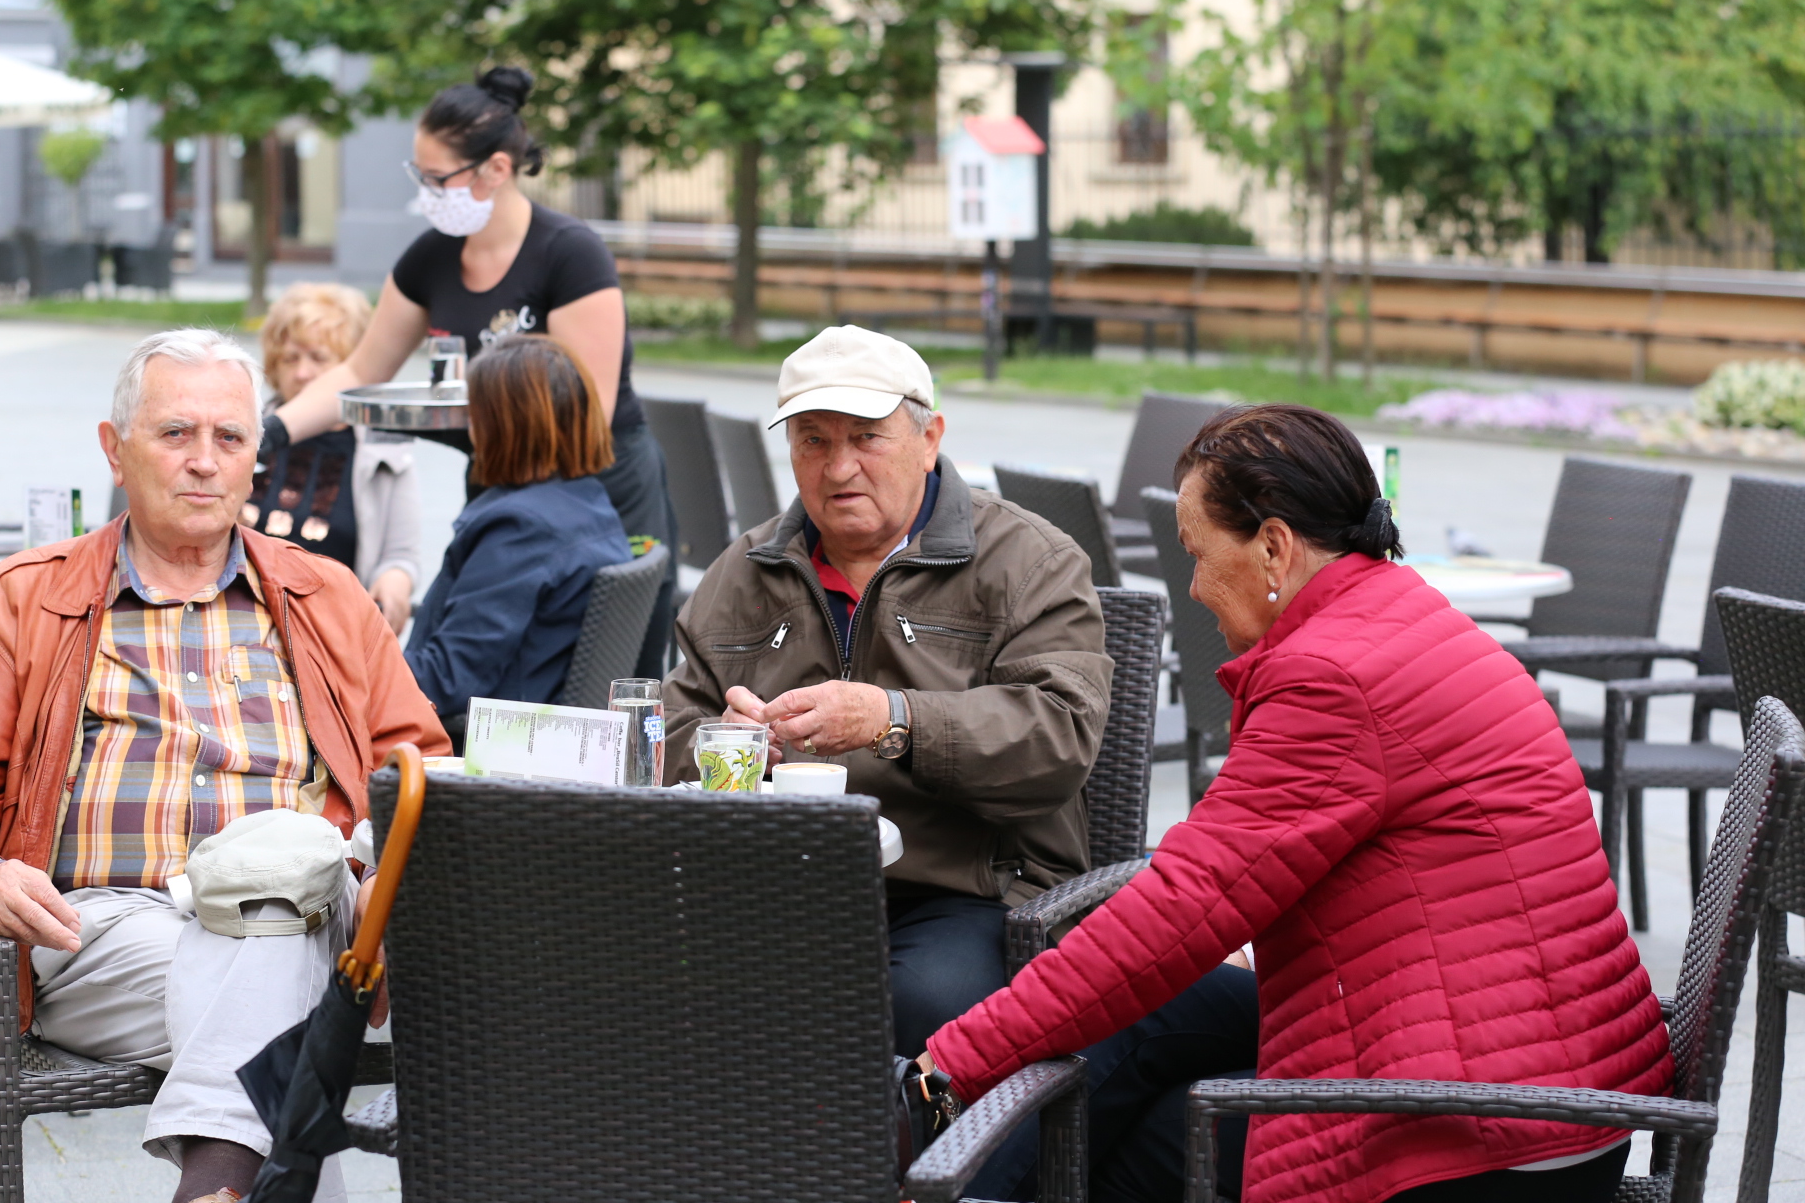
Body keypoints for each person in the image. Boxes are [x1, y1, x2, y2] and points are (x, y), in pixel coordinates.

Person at [920, 404, 1674, 1203]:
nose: (1198, 589)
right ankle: (946, 1174)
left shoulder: (1333, 675)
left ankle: (937, 1153)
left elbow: (1180, 910)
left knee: (1133, 1138)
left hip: (1480, 1131)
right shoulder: (1391, 614)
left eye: (1198, 556)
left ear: (1274, 546)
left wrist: (954, 1059)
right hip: (1538, 1072)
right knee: (1141, 1029)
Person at [0, 329, 450, 1203]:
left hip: (314, 903)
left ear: (255, 460)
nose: (203, 462)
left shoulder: (326, 596)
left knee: (276, 909)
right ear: (115, 450)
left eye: (228, 439)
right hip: (108, 931)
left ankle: (219, 1187)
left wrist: (383, 864)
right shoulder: (23, 600)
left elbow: (415, 768)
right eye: (174, 434)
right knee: (281, 959)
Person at [662, 324, 1113, 1058]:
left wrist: (890, 719)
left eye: (866, 437)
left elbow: (1056, 736)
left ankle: (898, 1173)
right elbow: (666, 732)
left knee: (911, 1006)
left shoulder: (1031, 561)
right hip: (783, 885)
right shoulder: (746, 569)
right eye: (813, 441)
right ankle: (718, 1169)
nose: (839, 467)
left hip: (972, 891)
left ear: (929, 438)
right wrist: (728, 742)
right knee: (646, 982)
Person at [266, 65, 675, 677]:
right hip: (500, 484)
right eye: (420, 176)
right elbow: (359, 368)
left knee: (607, 683)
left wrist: (453, 413)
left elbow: (585, 406)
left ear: (496, 169)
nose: (427, 194)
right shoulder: (432, 257)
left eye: (438, 179)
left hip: (599, 490)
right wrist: (269, 434)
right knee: (488, 670)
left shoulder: (569, 254)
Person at [403, 332, 632, 729]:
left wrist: (351, 645)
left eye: (476, 413)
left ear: (505, 427)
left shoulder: (519, 531)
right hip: (550, 732)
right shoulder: (588, 502)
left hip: (490, 750)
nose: (468, 426)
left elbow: (443, 681)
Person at [247, 282, 422, 633]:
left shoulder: (385, 452)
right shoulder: (247, 434)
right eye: (290, 358)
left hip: (334, 634)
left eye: (318, 358)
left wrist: (395, 579)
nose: (302, 373)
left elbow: (402, 556)